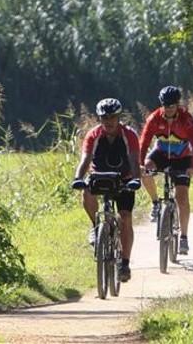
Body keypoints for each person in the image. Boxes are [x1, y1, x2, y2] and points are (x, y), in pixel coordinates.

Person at [72, 97, 142, 282]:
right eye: (104, 118)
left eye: (112, 117)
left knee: (125, 217)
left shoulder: (129, 135)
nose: (108, 121)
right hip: (100, 177)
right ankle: (96, 227)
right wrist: (78, 178)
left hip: (124, 178)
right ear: (99, 118)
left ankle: (125, 263)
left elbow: (134, 160)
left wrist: (136, 179)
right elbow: (85, 159)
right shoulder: (94, 135)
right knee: (86, 190)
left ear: (119, 117)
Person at [139, 85, 193, 255]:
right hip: (160, 154)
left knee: (182, 197)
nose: (168, 109)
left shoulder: (186, 119)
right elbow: (144, 142)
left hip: (182, 158)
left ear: (177, 105)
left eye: (172, 106)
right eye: (165, 106)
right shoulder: (154, 118)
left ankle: (184, 237)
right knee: (145, 170)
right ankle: (155, 203)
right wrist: (140, 163)